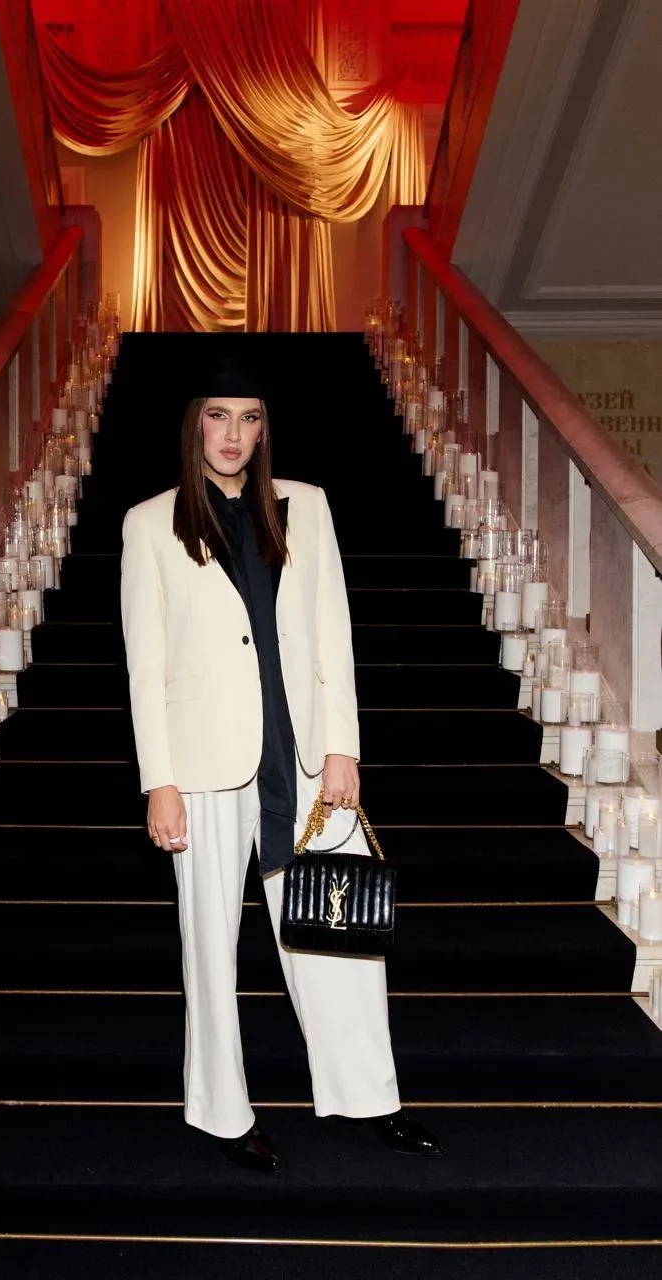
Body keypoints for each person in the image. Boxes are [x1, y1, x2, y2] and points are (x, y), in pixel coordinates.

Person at [120, 368, 443, 1171]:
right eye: (218, 415)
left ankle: (369, 1095)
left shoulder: (308, 506)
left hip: (301, 760)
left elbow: (332, 630)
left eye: (249, 417)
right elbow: (145, 666)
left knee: (341, 938)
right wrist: (159, 780)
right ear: (195, 425)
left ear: (264, 429)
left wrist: (342, 746)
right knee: (209, 947)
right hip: (202, 766)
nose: (232, 433)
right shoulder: (149, 523)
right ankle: (222, 1113)